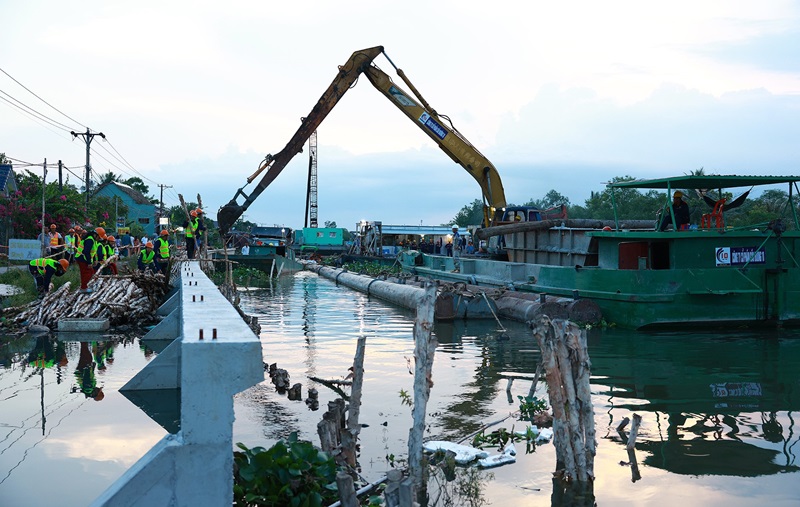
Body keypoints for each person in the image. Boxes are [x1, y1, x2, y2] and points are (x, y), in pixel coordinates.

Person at [75, 227, 105, 293]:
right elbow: (86, 252)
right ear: (95, 235)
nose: (99, 239)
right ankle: (83, 288)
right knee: (88, 273)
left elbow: (92, 252)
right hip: (82, 258)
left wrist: (93, 260)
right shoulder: (90, 240)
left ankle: (83, 287)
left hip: (83, 258)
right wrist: (89, 263)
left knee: (87, 272)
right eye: (99, 237)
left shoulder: (92, 240)